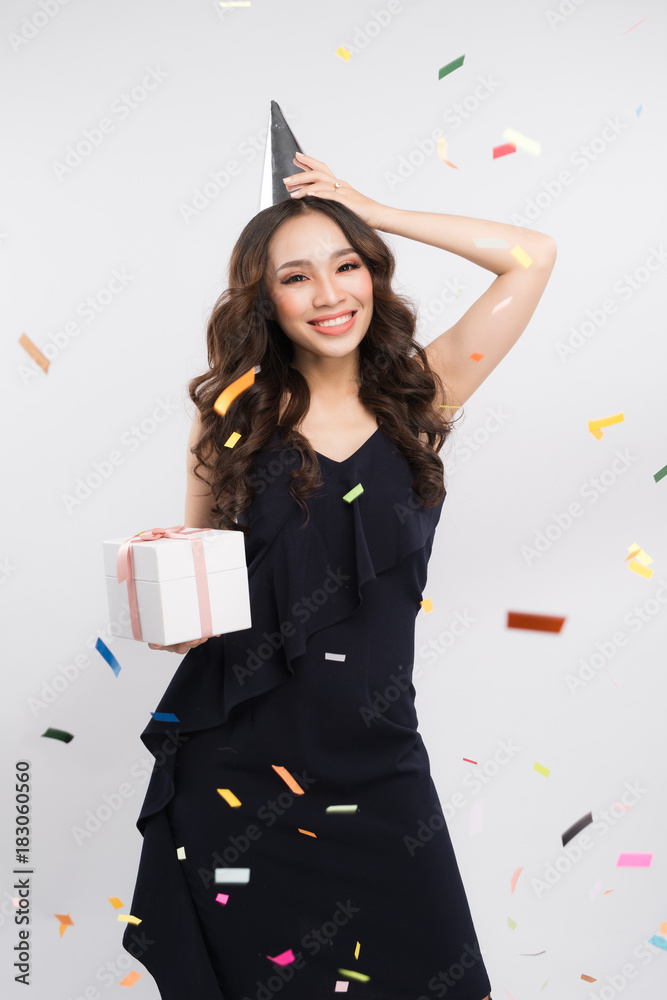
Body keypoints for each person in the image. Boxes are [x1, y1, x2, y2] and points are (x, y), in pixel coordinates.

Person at [124, 110, 556, 1000]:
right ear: (265, 301)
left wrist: (370, 208)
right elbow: (196, 604)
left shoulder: (422, 397)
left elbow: (532, 254)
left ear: (370, 272)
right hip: (242, 782)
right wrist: (163, 588)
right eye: (297, 276)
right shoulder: (232, 419)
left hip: (380, 769)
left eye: (346, 264)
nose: (329, 293)